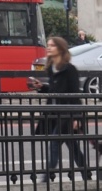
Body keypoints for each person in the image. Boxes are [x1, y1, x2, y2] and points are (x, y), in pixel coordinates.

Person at [27, 36, 87, 178]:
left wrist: (76, 117)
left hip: (66, 114)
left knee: (54, 142)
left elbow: (74, 94)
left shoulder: (69, 69)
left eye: (52, 45)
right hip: (54, 114)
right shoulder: (52, 68)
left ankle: (47, 176)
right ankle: (86, 173)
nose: (48, 48)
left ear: (60, 49)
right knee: (73, 147)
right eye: (48, 45)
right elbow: (56, 91)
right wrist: (42, 87)